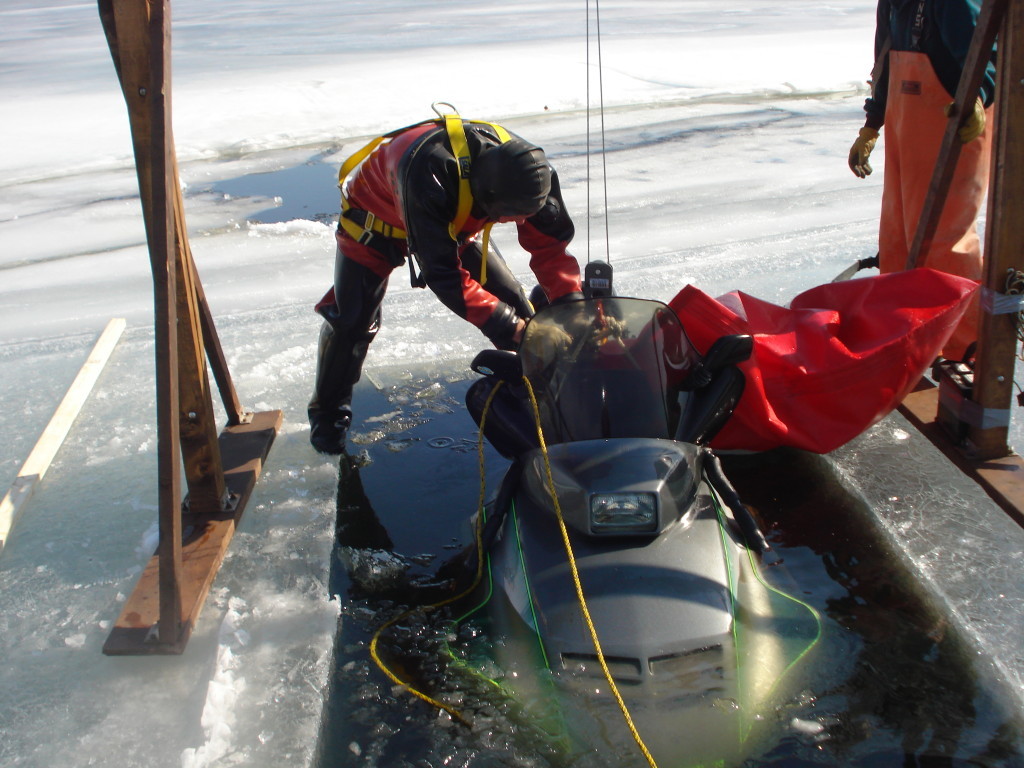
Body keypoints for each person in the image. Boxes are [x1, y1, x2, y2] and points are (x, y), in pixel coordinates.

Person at [308, 113, 583, 454]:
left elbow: (550, 247)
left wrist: (572, 305)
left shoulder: (532, 175)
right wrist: (513, 328)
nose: (520, 222)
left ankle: (538, 400)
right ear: (488, 197)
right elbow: (445, 275)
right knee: (352, 323)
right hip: (373, 224)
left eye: (524, 214)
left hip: (452, 224)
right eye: (510, 216)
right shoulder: (430, 175)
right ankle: (328, 419)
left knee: (513, 301)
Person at [848, 0, 997, 359]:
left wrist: (978, 96)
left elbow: (982, 53)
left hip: (954, 122)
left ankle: (966, 346)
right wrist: (872, 124)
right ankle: (905, 335)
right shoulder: (893, 4)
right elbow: (884, 64)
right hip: (906, 125)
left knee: (945, 238)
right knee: (898, 236)